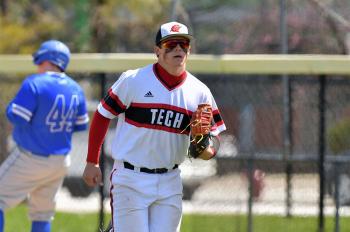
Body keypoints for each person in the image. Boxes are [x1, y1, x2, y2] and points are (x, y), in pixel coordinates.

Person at [83, 21, 226, 232]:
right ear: (157, 51)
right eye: (171, 44)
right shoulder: (134, 80)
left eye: (184, 44)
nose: (179, 48)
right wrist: (92, 161)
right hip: (131, 176)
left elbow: (214, 137)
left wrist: (207, 150)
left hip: (170, 179)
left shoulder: (199, 92)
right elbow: (102, 116)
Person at [0, 40, 89, 232]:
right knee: (42, 213)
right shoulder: (76, 88)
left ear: (45, 58)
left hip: (31, 158)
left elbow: (16, 116)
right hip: (60, 161)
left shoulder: (35, 82)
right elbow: (80, 125)